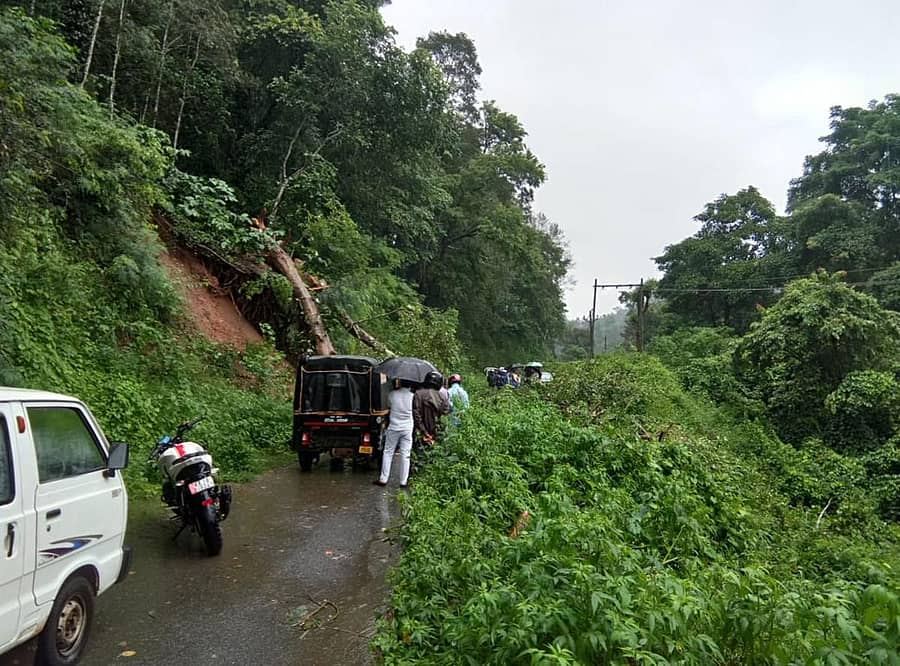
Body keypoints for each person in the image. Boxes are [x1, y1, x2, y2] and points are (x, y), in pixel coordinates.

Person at [374, 379, 415, 487]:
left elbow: (388, 407)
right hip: (407, 428)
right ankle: (403, 481)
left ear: (400, 383)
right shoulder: (413, 396)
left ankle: (383, 479)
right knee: (405, 454)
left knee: (388, 452)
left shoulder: (392, 394)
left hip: (394, 427)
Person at [413, 370, 450, 444]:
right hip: (436, 434)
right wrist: (435, 434)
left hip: (420, 434)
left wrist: (424, 432)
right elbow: (444, 417)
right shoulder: (442, 397)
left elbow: (416, 414)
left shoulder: (418, 394)